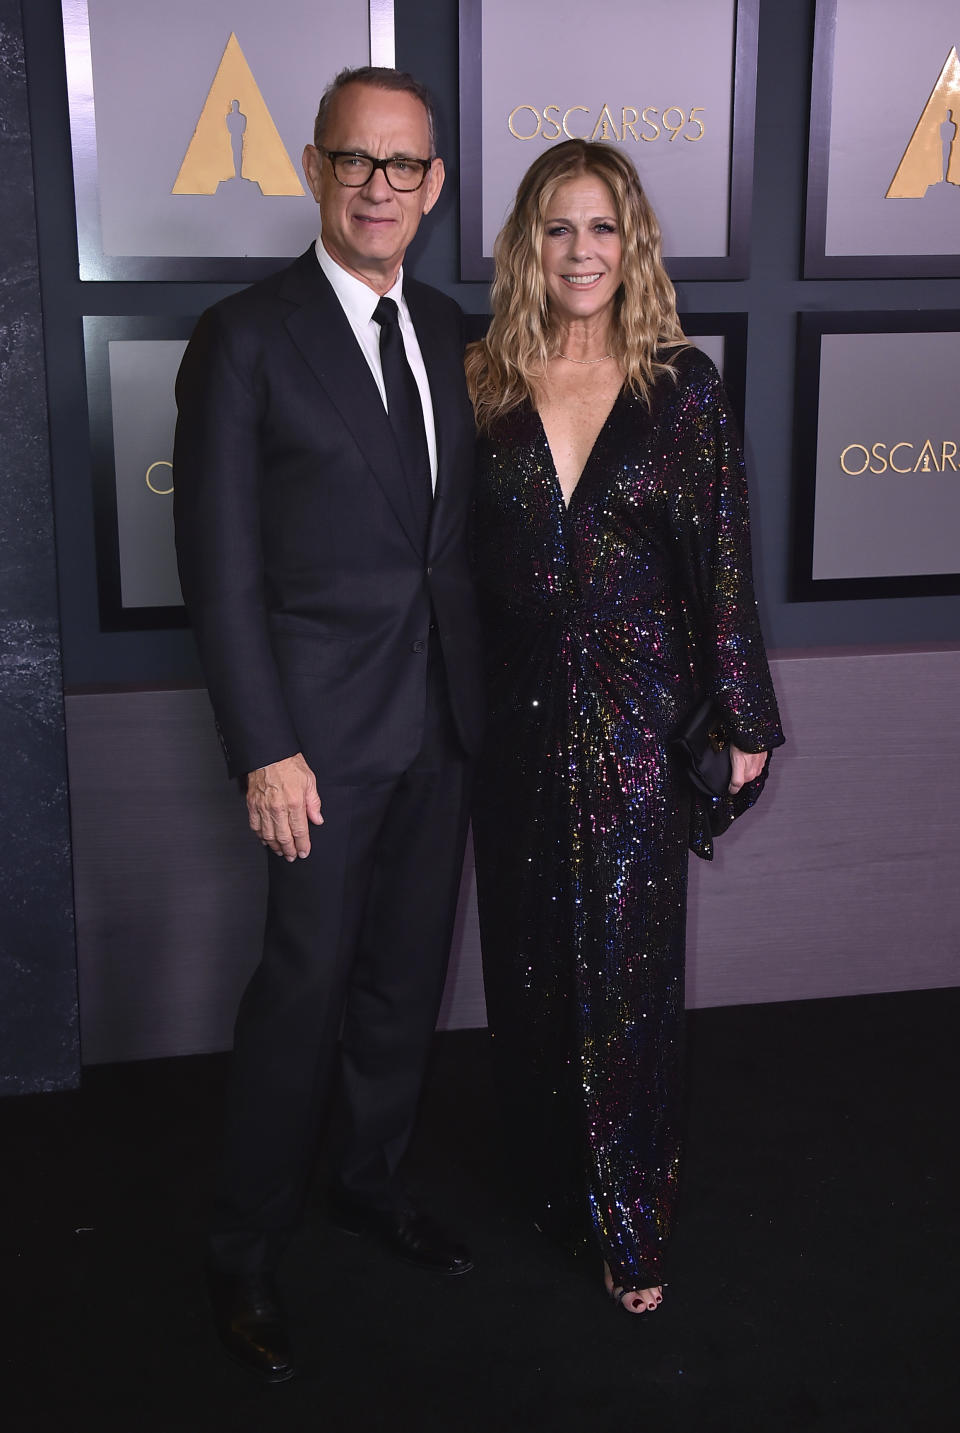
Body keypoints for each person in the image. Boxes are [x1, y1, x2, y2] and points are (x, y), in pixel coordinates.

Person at [173, 66, 484, 1381]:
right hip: (313, 743)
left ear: (435, 186)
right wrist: (263, 744)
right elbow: (219, 566)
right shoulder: (245, 336)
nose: (379, 186)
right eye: (356, 162)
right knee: (300, 993)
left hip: (441, 728)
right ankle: (246, 1246)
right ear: (314, 168)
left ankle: (365, 1175)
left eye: (403, 166)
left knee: (401, 985)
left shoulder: (459, 329)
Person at [466, 140, 784, 1316]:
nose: (582, 252)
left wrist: (742, 714)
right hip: (509, 724)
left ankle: (632, 1219)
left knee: (628, 976)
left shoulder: (680, 388)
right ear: (529, 246)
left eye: (602, 228)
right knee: (534, 968)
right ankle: (554, 1185)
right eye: (559, 229)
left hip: (635, 718)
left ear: (632, 241)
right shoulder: (482, 382)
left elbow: (724, 567)